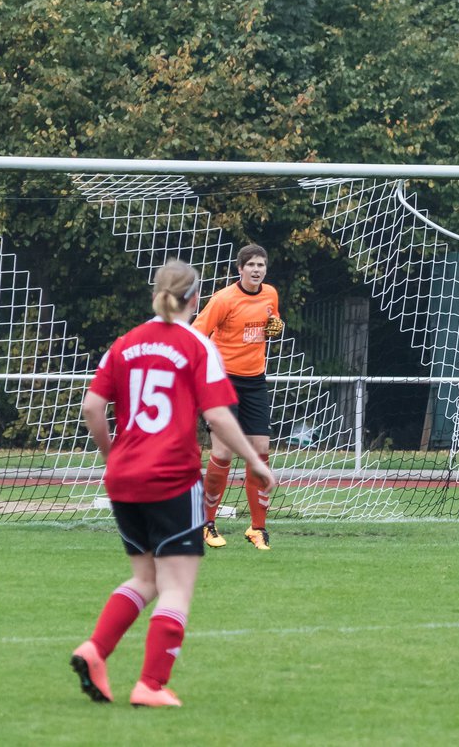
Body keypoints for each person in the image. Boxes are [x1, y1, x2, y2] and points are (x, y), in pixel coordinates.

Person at [70, 260, 275, 707]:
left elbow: (91, 408)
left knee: (145, 578)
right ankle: (151, 685)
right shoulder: (198, 345)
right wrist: (254, 463)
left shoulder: (124, 344)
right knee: (176, 586)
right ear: (195, 299)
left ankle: (95, 650)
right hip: (172, 478)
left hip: (123, 478)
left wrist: (111, 455)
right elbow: (219, 415)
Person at [192, 244, 284, 551]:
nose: (257, 269)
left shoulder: (270, 294)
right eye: (251, 265)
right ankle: (207, 523)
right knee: (224, 453)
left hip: (255, 382)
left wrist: (276, 328)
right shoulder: (224, 299)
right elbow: (196, 332)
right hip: (222, 382)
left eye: (262, 264)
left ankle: (257, 528)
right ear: (239, 269)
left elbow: (272, 322)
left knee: (260, 451)